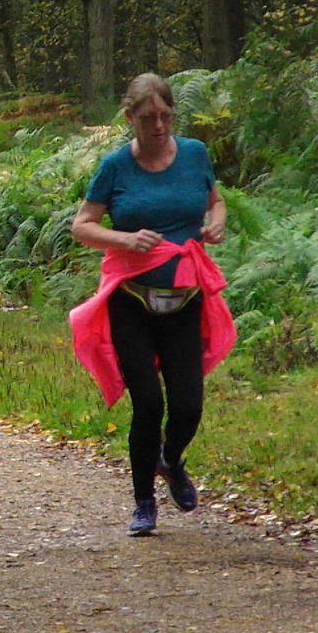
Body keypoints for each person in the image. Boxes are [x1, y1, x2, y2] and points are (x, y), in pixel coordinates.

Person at [69, 73, 236, 536]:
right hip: (132, 302)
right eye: (147, 118)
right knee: (147, 403)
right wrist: (125, 239)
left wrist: (216, 223)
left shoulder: (195, 154)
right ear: (130, 118)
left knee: (188, 405)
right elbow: (82, 226)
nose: (158, 126)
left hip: (185, 299)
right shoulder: (115, 166)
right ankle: (143, 503)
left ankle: (171, 460)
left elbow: (216, 202)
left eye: (165, 116)